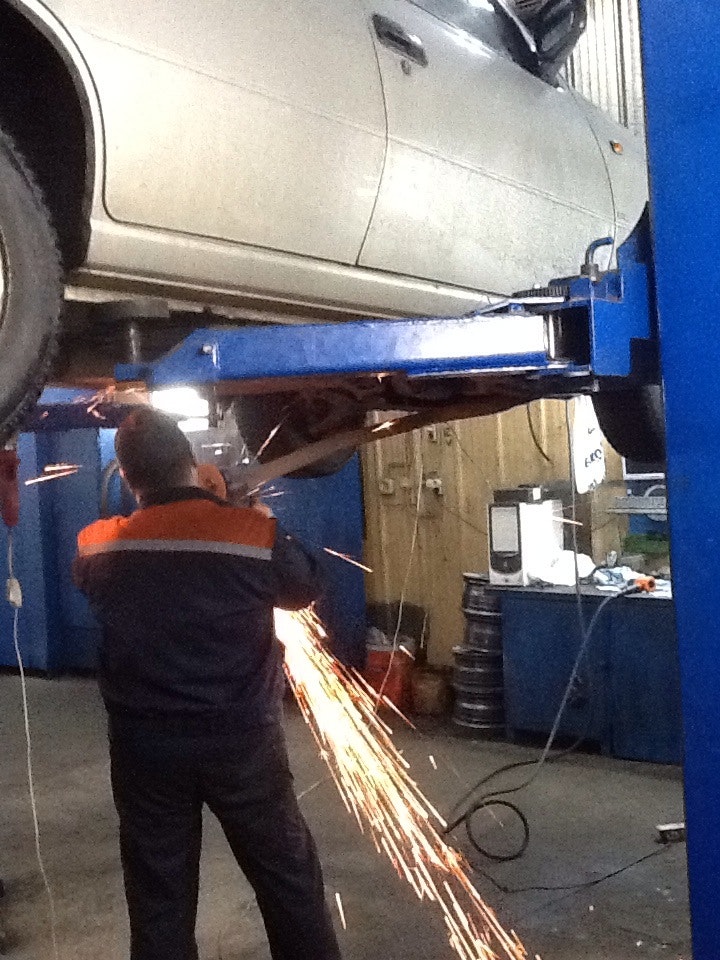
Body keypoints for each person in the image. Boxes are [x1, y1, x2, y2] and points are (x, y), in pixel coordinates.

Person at [73, 408, 342, 960]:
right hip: (242, 743)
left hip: (145, 750)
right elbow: (305, 586)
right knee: (287, 883)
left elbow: (97, 577)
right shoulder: (250, 534)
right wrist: (255, 514)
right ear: (191, 464)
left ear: (128, 478)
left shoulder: (98, 545)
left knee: (159, 900)